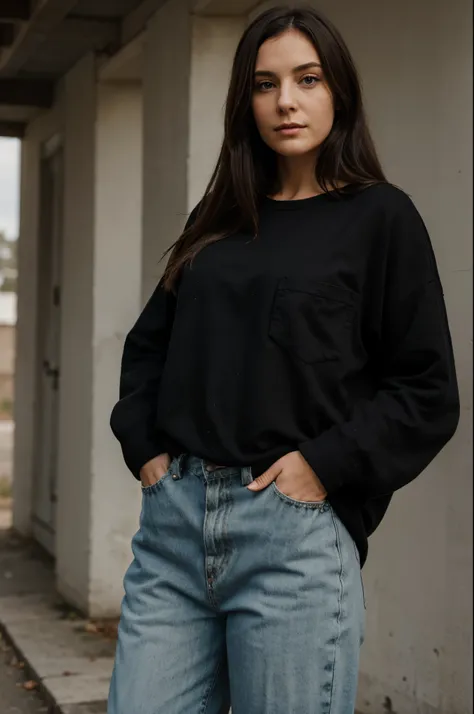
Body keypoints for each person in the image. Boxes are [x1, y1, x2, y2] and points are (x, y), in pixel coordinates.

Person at [107, 5, 460, 713]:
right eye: (265, 84)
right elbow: (151, 345)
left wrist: (323, 466)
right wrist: (144, 446)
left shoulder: (381, 219)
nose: (286, 102)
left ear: (340, 93)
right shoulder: (219, 217)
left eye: (308, 78)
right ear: (247, 100)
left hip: (291, 542)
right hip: (174, 532)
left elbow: (426, 389)